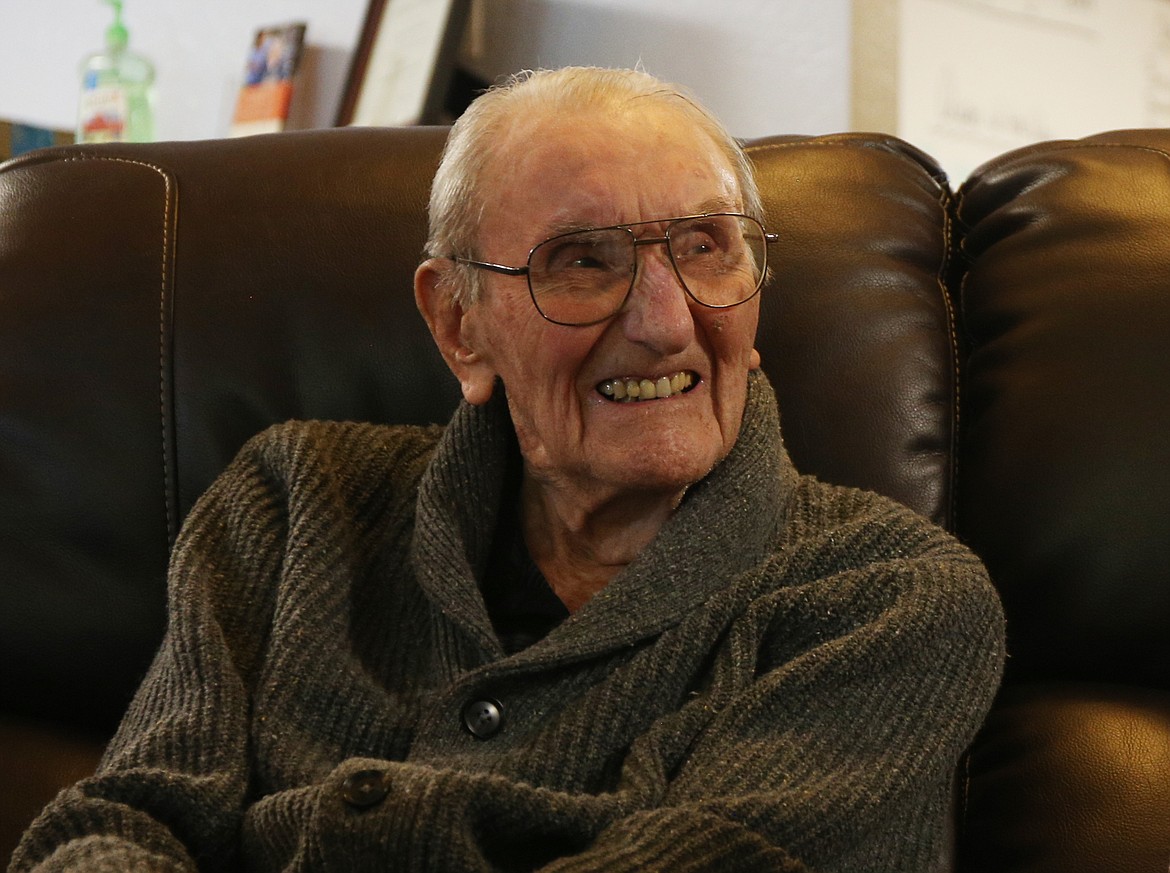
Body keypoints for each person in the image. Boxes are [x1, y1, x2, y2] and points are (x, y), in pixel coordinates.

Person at [9, 67, 1004, 872]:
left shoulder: (885, 601)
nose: (664, 323)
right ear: (458, 325)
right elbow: (123, 825)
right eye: (582, 261)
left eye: (706, 247)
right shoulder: (295, 506)